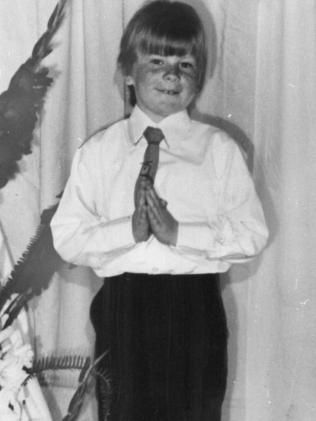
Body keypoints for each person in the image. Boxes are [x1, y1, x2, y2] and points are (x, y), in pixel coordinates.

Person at [51, 1, 269, 420]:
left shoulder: (218, 150)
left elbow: (251, 233)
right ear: (128, 73)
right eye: (157, 61)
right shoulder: (99, 152)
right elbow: (68, 238)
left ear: (200, 77)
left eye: (186, 64)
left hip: (195, 309)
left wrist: (179, 234)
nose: (172, 74)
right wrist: (127, 231)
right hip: (124, 308)